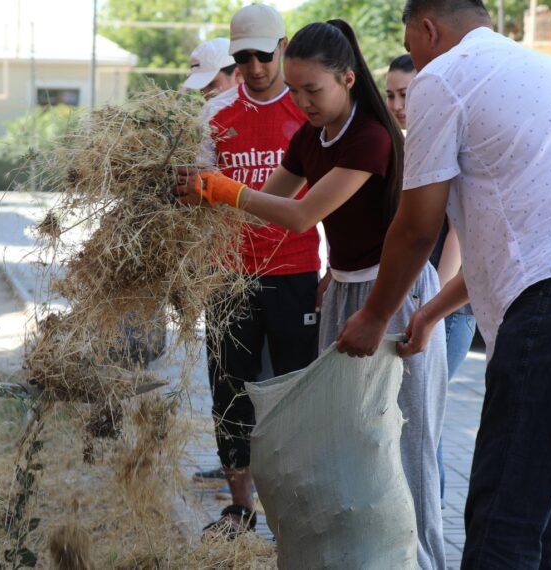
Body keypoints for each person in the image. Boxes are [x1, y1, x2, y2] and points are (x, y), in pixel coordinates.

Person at [336, 1, 551, 567]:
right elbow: (529, 239)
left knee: (508, 498)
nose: (416, 60)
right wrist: (431, 311)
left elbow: (415, 227)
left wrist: (373, 317)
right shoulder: (548, 72)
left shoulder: (443, 78)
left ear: (428, 29)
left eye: (414, 43)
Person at [177, 19, 448, 568]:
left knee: (406, 442)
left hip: (392, 291)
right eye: (295, 91)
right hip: (343, 290)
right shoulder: (310, 137)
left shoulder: (371, 137)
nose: (301, 102)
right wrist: (191, 221)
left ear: (348, 78)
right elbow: (262, 207)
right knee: (345, 440)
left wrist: (224, 191)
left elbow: (299, 215)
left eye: (312, 90)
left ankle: (423, 560)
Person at [193, 3, 321, 539]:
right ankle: (240, 507)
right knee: (230, 390)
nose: (253, 67)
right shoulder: (215, 114)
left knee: (294, 392)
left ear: (283, 47)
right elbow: (198, 191)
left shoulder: (308, 111)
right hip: (230, 276)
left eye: (262, 56)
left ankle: (295, 506)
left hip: (295, 271)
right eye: (241, 57)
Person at [387, 52, 477, 503]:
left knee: (424, 423)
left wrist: (432, 308)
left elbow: (456, 235)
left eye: (407, 93)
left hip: (448, 307)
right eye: (390, 95)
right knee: (409, 419)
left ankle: (428, 534)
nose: (399, 104)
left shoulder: (444, 143)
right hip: (414, 304)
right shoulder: (401, 149)